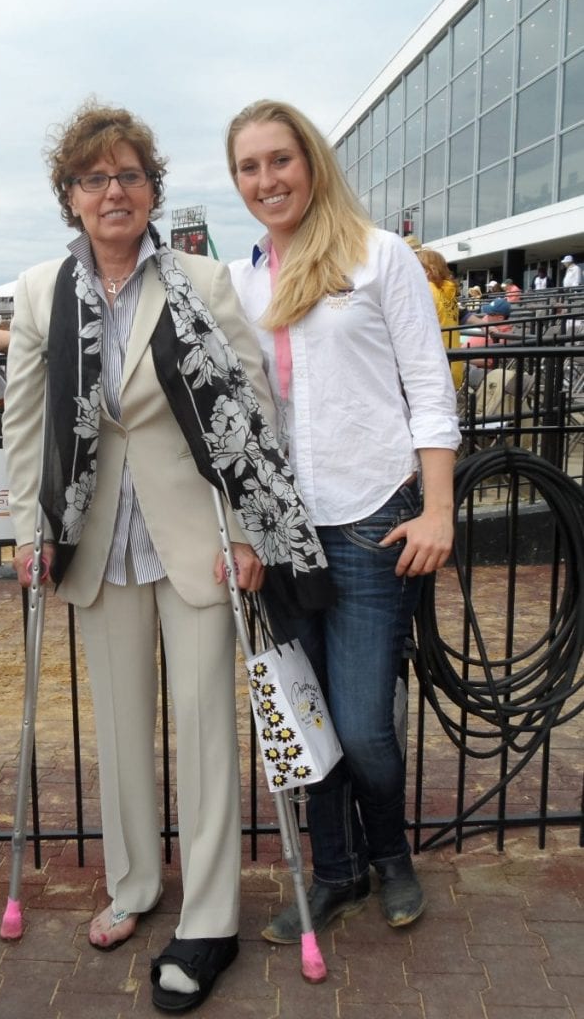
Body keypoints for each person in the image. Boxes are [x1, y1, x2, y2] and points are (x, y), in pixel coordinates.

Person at [1, 99, 327, 1013]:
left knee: (206, 732)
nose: (115, 191)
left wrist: (254, 532)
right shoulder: (40, 292)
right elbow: (25, 422)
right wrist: (31, 529)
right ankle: (137, 884)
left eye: (130, 175)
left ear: (153, 189)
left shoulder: (200, 280)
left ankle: (211, 916)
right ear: (70, 195)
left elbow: (248, 412)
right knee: (119, 730)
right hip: (94, 537)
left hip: (199, 539)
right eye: (95, 178)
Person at [224, 99, 460, 941]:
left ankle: (390, 855)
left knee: (362, 722)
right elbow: (234, 416)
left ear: (311, 162)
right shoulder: (243, 278)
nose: (265, 180)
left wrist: (438, 508)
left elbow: (429, 389)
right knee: (306, 713)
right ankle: (334, 872)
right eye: (248, 167)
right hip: (284, 530)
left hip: (370, 517)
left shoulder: (376, 257)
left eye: (278, 160)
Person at [415, 247, 463, 389]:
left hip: (433, 368)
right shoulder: (448, 292)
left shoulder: (426, 290)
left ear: (426, 271)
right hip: (453, 364)